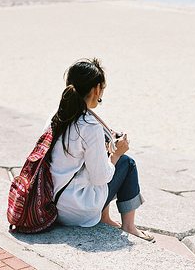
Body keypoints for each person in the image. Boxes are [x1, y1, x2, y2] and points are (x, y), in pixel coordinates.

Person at [46, 58, 153, 241]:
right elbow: (100, 177)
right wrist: (116, 153)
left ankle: (105, 218)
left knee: (104, 159)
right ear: (96, 89)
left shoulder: (56, 117)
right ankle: (129, 226)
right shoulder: (89, 125)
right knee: (127, 163)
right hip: (78, 211)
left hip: (52, 204)